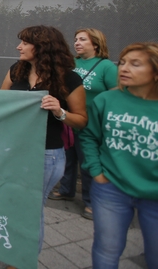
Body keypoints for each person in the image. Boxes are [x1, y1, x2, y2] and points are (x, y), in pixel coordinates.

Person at [0, 25, 88, 263]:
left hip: (45, 155)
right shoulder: (17, 70)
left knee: (28, 211)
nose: (18, 47)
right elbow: (1, 105)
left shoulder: (68, 78)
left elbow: (81, 120)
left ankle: (21, 260)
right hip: (10, 150)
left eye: (24, 43)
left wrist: (60, 111)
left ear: (42, 47)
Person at [81, 42, 158, 269]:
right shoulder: (107, 100)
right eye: (122, 62)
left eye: (135, 64)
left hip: (154, 197)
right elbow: (89, 137)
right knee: (106, 249)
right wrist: (97, 172)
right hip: (111, 188)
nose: (124, 68)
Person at [49, 28, 118, 220]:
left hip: (92, 125)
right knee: (68, 159)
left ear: (95, 44)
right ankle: (66, 190)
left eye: (82, 40)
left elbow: (117, 94)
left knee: (88, 164)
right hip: (68, 120)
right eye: (75, 39)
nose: (77, 43)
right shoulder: (72, 63)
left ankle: (91, 202)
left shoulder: (106, 67)